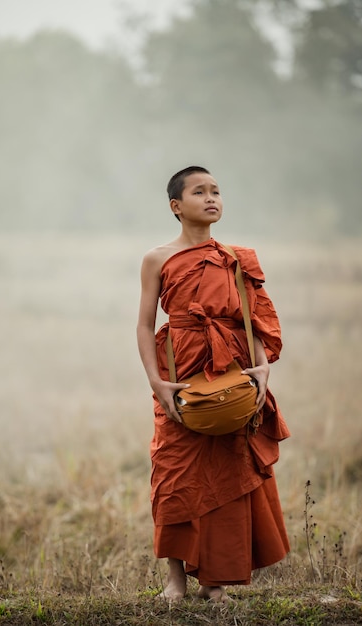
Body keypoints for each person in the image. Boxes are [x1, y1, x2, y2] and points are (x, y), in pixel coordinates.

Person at [136, 166, 290, 602]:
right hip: (179, 371)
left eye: (216, 191)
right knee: (174, 470)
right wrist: (156, 382)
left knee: (228, 467)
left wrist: (262, 367)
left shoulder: (238, 257)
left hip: (233, 372)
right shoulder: (157, 258)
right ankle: (175, 580)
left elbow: (252, 316)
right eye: (199, 191)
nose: (211, 198)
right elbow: (145, 326)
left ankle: (214, 581)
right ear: (176, 206)